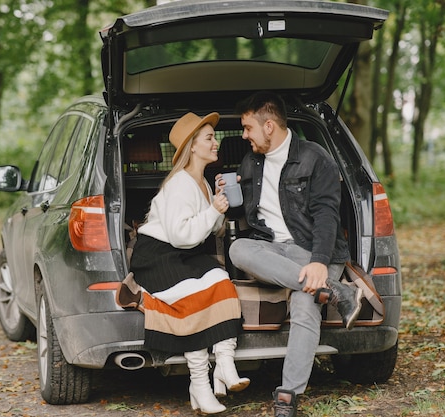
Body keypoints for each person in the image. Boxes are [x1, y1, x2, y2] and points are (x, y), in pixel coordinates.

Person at [227, 92, 363, 417]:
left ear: (269, 126)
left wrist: (318, 261)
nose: (243, 135)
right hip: (273, 248)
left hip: (315, 249)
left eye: (247, 128)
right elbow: (244, 210)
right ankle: (336, 290)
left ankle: (287, 396)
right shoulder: (250, 162)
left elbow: (328, 216)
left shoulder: (316, 159)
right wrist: (223, 195)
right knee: (237, 248)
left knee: (304, 303)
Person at [116, 112, 250, 414]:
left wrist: (217, 203)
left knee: (222, 282)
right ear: (192, 146)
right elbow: (181, 235)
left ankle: (225, 363)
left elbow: (209, 231)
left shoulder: (201, 181)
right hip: (157, 256)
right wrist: (213, 209)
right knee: (194, 301)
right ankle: (200, 385)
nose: (216, 143)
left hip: (184, 254)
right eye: (209, 138)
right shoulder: (179, 183)